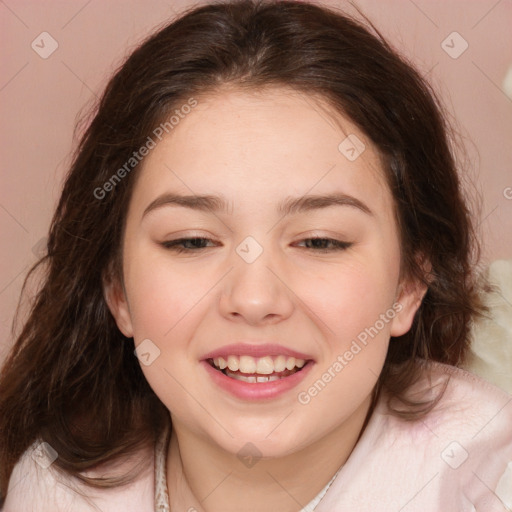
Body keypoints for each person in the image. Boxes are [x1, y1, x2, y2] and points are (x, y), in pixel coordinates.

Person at [0, 0, 510, 510]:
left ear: (408, 284)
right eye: (192, 241)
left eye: (319, 241)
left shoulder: (488, 480)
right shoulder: (55, 489)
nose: (254, 298)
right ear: (117, 289)